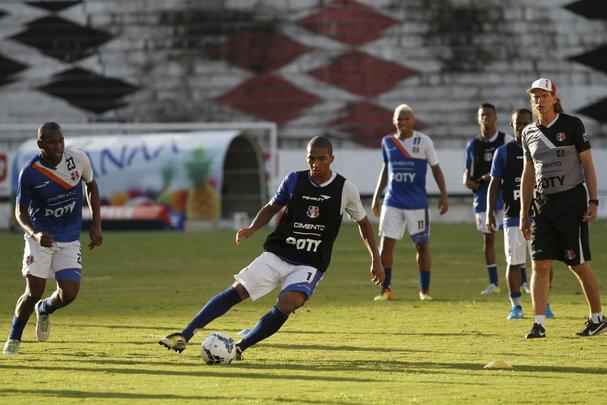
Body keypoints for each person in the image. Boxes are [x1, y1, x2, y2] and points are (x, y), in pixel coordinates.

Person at [159, 136, 384, 358]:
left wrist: (376, 258)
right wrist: (252, 228)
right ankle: (184, 335)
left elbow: (363, 224)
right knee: (237, 291)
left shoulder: (345, 189)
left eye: (321, 159)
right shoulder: (294, 180)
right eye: (311, 158)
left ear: (331, 158)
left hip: (310, 263)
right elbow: (271, 207)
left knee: (289, 302)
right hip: (279, 253)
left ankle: (239, 347)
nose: (316, 164)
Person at [2, 122, 103, 356]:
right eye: (52, 142)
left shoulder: (78, 159)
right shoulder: (30, 173)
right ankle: (14, 337)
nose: (58, 146)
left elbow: (91, 187)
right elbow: (20, 212)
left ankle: (45, 309)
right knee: (33, 290)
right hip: (41, 237)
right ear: (41, 144)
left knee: (69, 293)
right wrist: (35, 233)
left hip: (69, 236)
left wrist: (96, 224)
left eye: (61, 141)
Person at [521, 78, 606, 338]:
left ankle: (598, 318)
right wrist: (524, 212)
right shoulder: (527, 133)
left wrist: (593, 200)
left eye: (544, 95)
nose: (539, 100)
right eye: (535, 96)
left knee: (577, 263)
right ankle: (538, 323)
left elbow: (588, 165)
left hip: (571, 202)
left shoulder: (572, 125)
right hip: (543, 205)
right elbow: (528, 174)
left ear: (554, 98)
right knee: (540, 264)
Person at [370, 104, 448, 301]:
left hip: (417, 203)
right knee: (386, 244)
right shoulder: (387, 142)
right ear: (393, 121)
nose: (402, 122)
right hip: (393, 201)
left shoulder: (424, 141)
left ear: (413, 120)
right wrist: (376, 195)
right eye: (399, 118)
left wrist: (444, 194)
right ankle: (385, 290)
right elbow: (386, 169)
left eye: (406, 118)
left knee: (422, 245)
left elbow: (436, 168)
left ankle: (424, 291)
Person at [486, 108, 552, 320]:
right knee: (514, 263)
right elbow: (494, 184)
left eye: (526, 123)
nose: (522, 127)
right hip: (513, 217)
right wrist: (489, 212)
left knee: (543, 263)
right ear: (512, 126)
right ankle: (516, 306)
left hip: (539, 216)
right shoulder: (503, 152)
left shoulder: (542, 149)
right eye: (518, 124)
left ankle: (545, 304)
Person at [464, 103, 510, 295]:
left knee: (513, 238)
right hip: (483, 198)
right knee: (488, 240)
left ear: (496, 117)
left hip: (504, 196)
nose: (486, 118)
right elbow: (468, 172)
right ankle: (494, 283)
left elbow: (515, 166)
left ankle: (523, 282)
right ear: (478, 118)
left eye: (489, 115)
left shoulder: (505, 140)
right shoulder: (473, 144)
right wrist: (468, 181)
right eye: (482, 115)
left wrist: (495, 177)